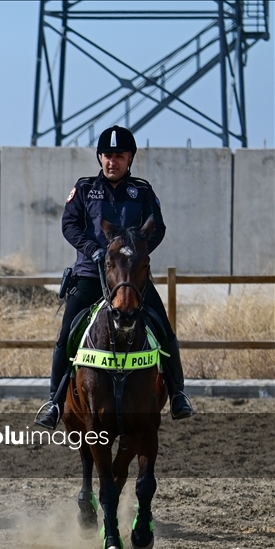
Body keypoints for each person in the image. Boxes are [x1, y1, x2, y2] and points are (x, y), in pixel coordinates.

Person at [35, 125, 193, 429]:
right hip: (89, 275)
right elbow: (70, 224)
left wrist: (135, 253)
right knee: (66, 336)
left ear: (130, 158)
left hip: (130, 281)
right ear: (100, 157)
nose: (112, 162)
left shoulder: (143, 191)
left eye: (119, 156)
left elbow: (156, 227)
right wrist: (92, 249)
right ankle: (54, 403)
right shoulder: (83, 189)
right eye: (107, 156)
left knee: (164, 330)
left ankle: (178, 395)